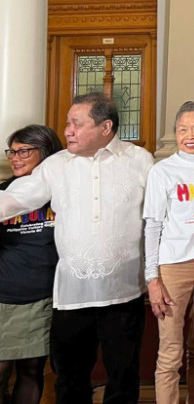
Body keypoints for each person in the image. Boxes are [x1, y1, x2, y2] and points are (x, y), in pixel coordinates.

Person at [0, 93, 154, 403]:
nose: (67, 130)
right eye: (68, 123)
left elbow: (158, 217)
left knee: (123, 378)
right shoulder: (55, 166)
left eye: (76, 123)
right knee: (70, 380)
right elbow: (13, 199)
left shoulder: (140, 160)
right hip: (72, 295)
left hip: (125, 292)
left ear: (105, 126)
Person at [143, 101, 194, 404]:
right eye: (182, 129)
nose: (190, 135)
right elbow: (152, 227)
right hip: (173, 267)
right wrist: (152, 278)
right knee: (170, 351)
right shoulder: (162, 171)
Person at [0, 125, 62, 404]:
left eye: (24, 150)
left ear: (45, 152)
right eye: (12, 151)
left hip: (43, 297)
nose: (15, 157)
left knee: (31, 369)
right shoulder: (4, 195)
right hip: (4, 296)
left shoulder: (60, 196)